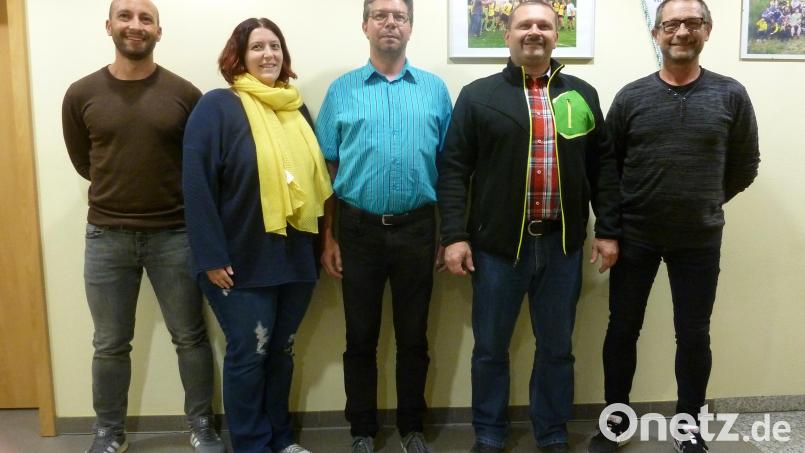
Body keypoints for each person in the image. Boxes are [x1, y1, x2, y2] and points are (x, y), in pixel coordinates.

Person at [437, 1, 620, 452]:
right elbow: (454, 170)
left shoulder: (582, 94)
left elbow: (605, 168)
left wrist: (609, 229)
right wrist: (455, 236)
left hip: (562, 248)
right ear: (508, 35)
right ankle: (489, 433)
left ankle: (553, 432)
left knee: (557, 349)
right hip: (498, 251)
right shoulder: (478, 96)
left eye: (544, 25)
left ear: (557, 35)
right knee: (490, 350)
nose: (534, 31)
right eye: (525, 25)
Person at [587, 1, 760, 452]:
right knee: (622, 329)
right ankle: (615, 423)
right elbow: (608, 167)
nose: (681, 31)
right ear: (656, 33)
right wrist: (613, 225)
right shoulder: (631, 97)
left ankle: (689, 427)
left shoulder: (731, 95)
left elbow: (746, 164)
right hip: (635, 236)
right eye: (671, 24)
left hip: (699, 240)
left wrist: (704, 198)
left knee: (694, 334)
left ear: (707, 30)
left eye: (691, 23)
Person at [61, 1, 223, 452]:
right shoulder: (80, 94)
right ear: (109, 25)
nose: (136, 25)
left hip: (175, 235)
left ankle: (202, 426)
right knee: (110, 343)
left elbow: (198, 165)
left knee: (190, 336)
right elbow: (84, 160)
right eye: (126, 16)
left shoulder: (185, 95)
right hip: (106, 237)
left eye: (145, 18)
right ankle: (108, 432)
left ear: (159, 30)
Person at [182, 17, 333, 453]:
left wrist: (321, 246)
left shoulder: (295, 108)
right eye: (257, 47)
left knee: (281, 352)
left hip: (294, 258)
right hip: (238, 261)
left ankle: (281, 440)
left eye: (275, 46)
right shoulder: (217, 107)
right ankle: (251, 445)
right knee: (249, 355)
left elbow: (315, 184)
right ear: (238, 56)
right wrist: (210, 257)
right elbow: (197, 185)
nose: (268, 55)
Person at [316, 0, 452, 452]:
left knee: (414, 336)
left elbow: (448, 168)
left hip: (417, 229)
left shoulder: (434, 90)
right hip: (357, 231)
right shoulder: (342, 90)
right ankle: (362, 431)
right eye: (381, 15)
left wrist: (446, 233)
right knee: (360, 338)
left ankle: (412, 427)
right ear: (365, 26)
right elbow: (328, 169)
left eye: (399, 16)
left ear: (411, 27)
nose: (390, 23)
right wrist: (329, 236)